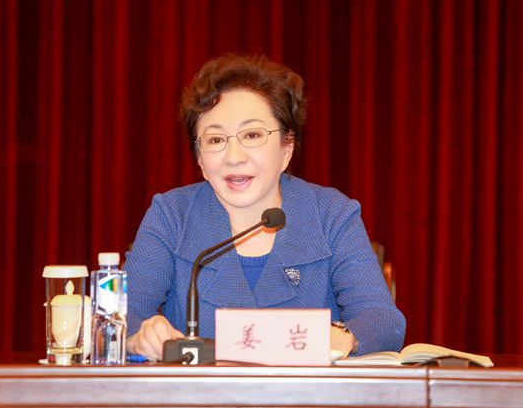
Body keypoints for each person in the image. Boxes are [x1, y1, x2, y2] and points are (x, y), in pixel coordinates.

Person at [124, 53, 405, 361]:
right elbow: (124, 317)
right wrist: (140, 338)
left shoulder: (331, 214)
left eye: (252, 135)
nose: (234, 157)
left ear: (287, 146)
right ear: (200, 159)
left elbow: (383, 320)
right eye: (215, 140)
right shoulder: (172, 215)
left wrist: (343, 336)